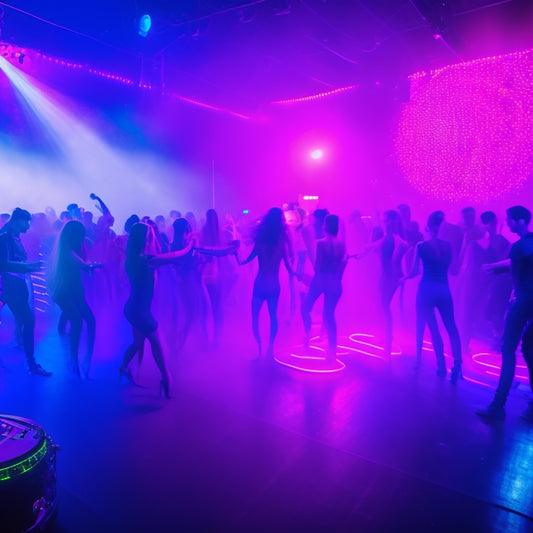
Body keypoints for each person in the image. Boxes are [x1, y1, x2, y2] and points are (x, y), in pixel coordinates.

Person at [119, 223, 194, 398]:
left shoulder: (130, 259)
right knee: (159, 345)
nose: (152, 238)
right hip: (140, 312)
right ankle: (166, 378)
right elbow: (175, 255)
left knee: (138, 343)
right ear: (145, 239)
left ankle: (123, 366)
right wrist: (190, 246)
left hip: (132, 308)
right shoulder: (148, 260)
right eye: (150, 235)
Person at [477, 206, 533, 421]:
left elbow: (515, 272)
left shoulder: (518, 246)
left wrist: (494, 268)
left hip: (523, 302)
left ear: (519, 220)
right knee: (528, 348)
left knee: (508, 351)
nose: (507, 224)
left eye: (509, 220)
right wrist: (495, 265)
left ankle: (497, 406)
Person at [403, 211, 462, 383]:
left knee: (433, 329)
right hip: (444, 290)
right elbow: (454, 271)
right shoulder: (449, 246)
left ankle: (441, 367)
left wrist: (403, 277)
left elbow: (414, 272)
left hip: (426, 290)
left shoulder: (421, 246)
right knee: (451, 328)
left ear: (427, 227)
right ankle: (457, 365)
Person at [236, 207, 294, 358]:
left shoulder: (260, 241)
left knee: (254, 316)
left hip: (260, 284)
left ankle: (259, 347)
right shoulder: (282, 245)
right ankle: (270, 348)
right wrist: (300, 275)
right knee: (273, 316)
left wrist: (238, 258)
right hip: (274, 285)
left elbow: (247, 259)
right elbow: (289, 267)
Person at [0, 208, 51, 376]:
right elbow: (3, 265)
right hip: (10, 286)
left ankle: (32, 364)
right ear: (16, 221)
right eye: (26, 222)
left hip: (17, 286)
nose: (29, 226)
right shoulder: (4, 238)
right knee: (28, 321)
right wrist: (27, 267)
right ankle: (32, 365)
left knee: (26, 320)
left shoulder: (14, 237)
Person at [49, 220, 100, 378]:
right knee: (78, 320)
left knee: (90, 320)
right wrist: (98, 266)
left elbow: (83, 265)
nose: (82, 239)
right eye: (80, 236)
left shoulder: (72, 248)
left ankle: (86, 359)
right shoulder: (66, 251)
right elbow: (83, 265)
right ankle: (74, 360)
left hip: (75, 290)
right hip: (63, 292)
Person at [301, 214, 347, 362]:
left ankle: (307, 335)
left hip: (321, 280)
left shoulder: (320, 244)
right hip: (334, 282)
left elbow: (318, 267)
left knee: (306, 308)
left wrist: (308, 276)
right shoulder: (341, 245)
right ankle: (332, 352)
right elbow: (343, 265)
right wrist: (338, 277)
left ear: (325, 226)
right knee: (329, 315)